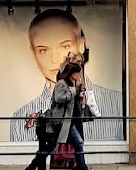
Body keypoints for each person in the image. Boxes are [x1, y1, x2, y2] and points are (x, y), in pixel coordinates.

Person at [10, 9, 123, 142]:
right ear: (33, 54)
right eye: (43, 50)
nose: (54, 59)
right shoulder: (20, 119)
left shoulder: (118, 104)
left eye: (64, 46)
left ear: (81, 45)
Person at [23, 58, 100, 170]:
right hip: (61, 122)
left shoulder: (72, 84)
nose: (79, 75)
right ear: (71, 73)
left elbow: (71, 101)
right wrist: (73, 92)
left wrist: (79, 96)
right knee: (53, 146)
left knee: (72, 144)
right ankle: (31, 169)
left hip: (69, 122)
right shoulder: (62, 83)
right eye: (77, 73)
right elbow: (58, 98)